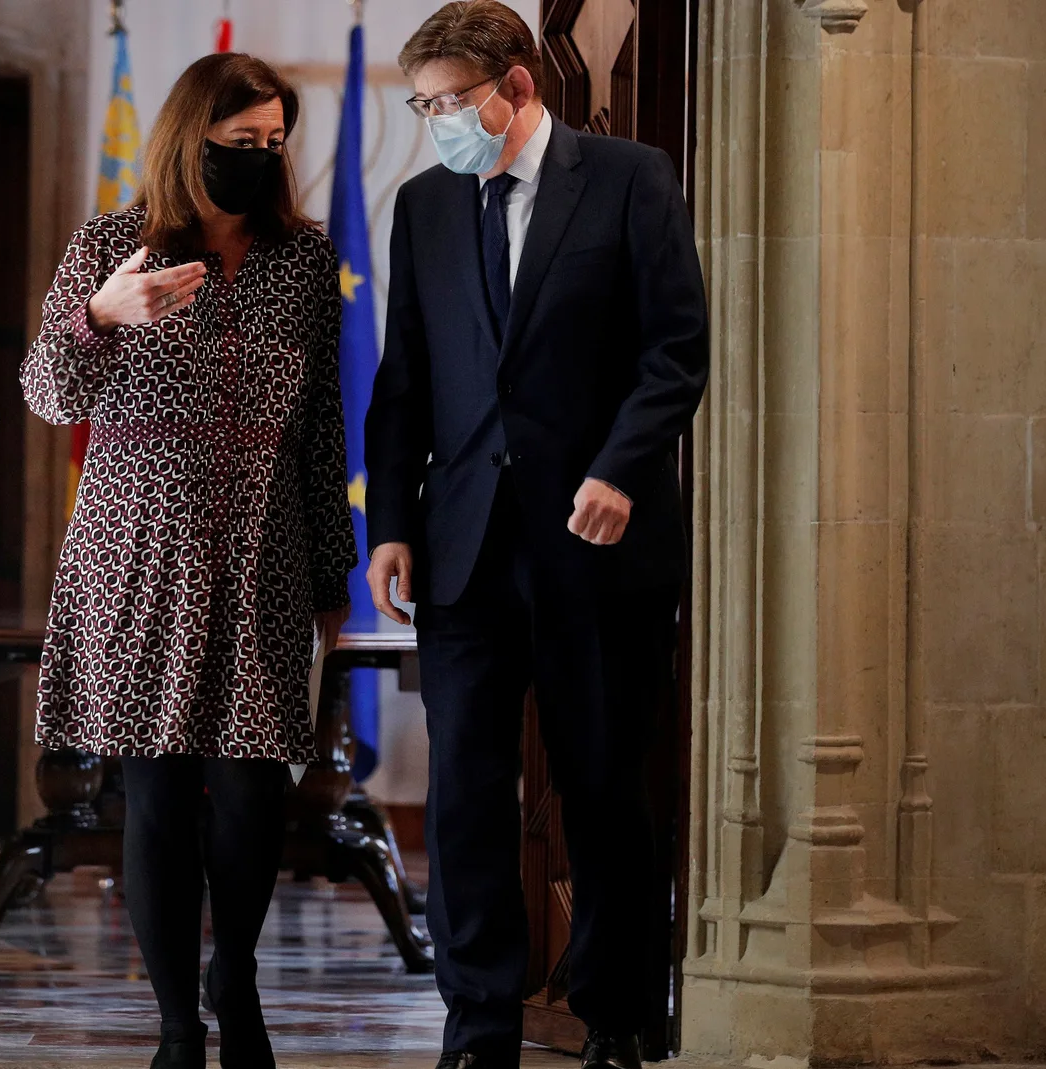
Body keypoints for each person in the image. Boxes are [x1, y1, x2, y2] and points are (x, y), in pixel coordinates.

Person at [364, 4, 709, 1069]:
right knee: (464, 792)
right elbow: (404, 380)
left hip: (595, 545)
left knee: (603, 785)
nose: (435, 125)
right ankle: (477, 1026)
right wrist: (391, 528)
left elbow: (674, 350)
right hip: (464, 546)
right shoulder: (423, 205)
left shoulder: (627, 177)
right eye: (419, 107)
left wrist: (618, 470)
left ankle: (613, 1019)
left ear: (516, 86)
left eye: (449, 103)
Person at [20, 53, 355, 1069]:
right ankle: (176, 1024)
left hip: (264, 548)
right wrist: (100, 317)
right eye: (236, 141)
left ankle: (235, 979)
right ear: (187, 138)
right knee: (157, 793)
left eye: (270, 142)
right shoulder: (110, 245)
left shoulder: (303, 261)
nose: (256, 157)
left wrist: (334, 570)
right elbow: (45, 391)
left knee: (253, 793)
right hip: (136, 550)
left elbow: (323, 425)